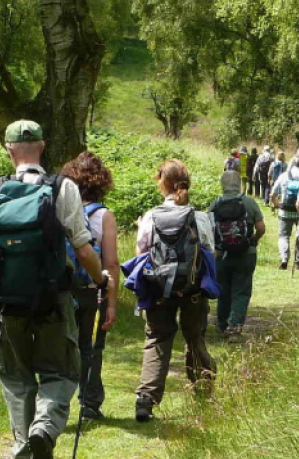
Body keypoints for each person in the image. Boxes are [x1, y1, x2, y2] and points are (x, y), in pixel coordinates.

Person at [0, 121, 108, 459]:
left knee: (16, 377)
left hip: (7, 301)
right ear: (43, 146)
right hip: (54, 298)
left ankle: (23, 444)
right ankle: (44, 428)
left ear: (8, 148)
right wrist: (101, 279)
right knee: (60, 370)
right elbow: (82, 247)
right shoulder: (63, 188)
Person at [129, 160, 218, 422]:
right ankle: (203, 389)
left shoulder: (150, 216)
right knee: (195, 337)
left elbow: (141, 253)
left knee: (157, 338)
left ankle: (146, 399)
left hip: (158, 289)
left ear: (161, 182)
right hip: (193, 291)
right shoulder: (199, 217)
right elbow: (209, 252)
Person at [57, 151, 120, 422]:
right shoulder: (104, 215)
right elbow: (112, 262)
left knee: (60, 348)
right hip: (92, 290)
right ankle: (90, 404)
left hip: (62, 290)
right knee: (90, 347)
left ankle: (55, 405)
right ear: (101, 182)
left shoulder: (57, 209)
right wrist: (112, 301)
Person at [208, 171, 266, 337]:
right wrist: (253, 239)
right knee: (241, 290)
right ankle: (234, 327)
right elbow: (261, 228)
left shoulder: (215, 204)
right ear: (239, 184)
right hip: (246, 253)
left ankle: (222, 325)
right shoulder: (249, 202)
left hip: (221, 254)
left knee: (224, 290)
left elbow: (209, 231)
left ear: (223, 185)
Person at [269, 154, 299, 271]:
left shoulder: (284, 176)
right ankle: (298, 263)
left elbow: (273, 194)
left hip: (284, 211)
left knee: (283, 236)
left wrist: (276, 204)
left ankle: (284, 260)